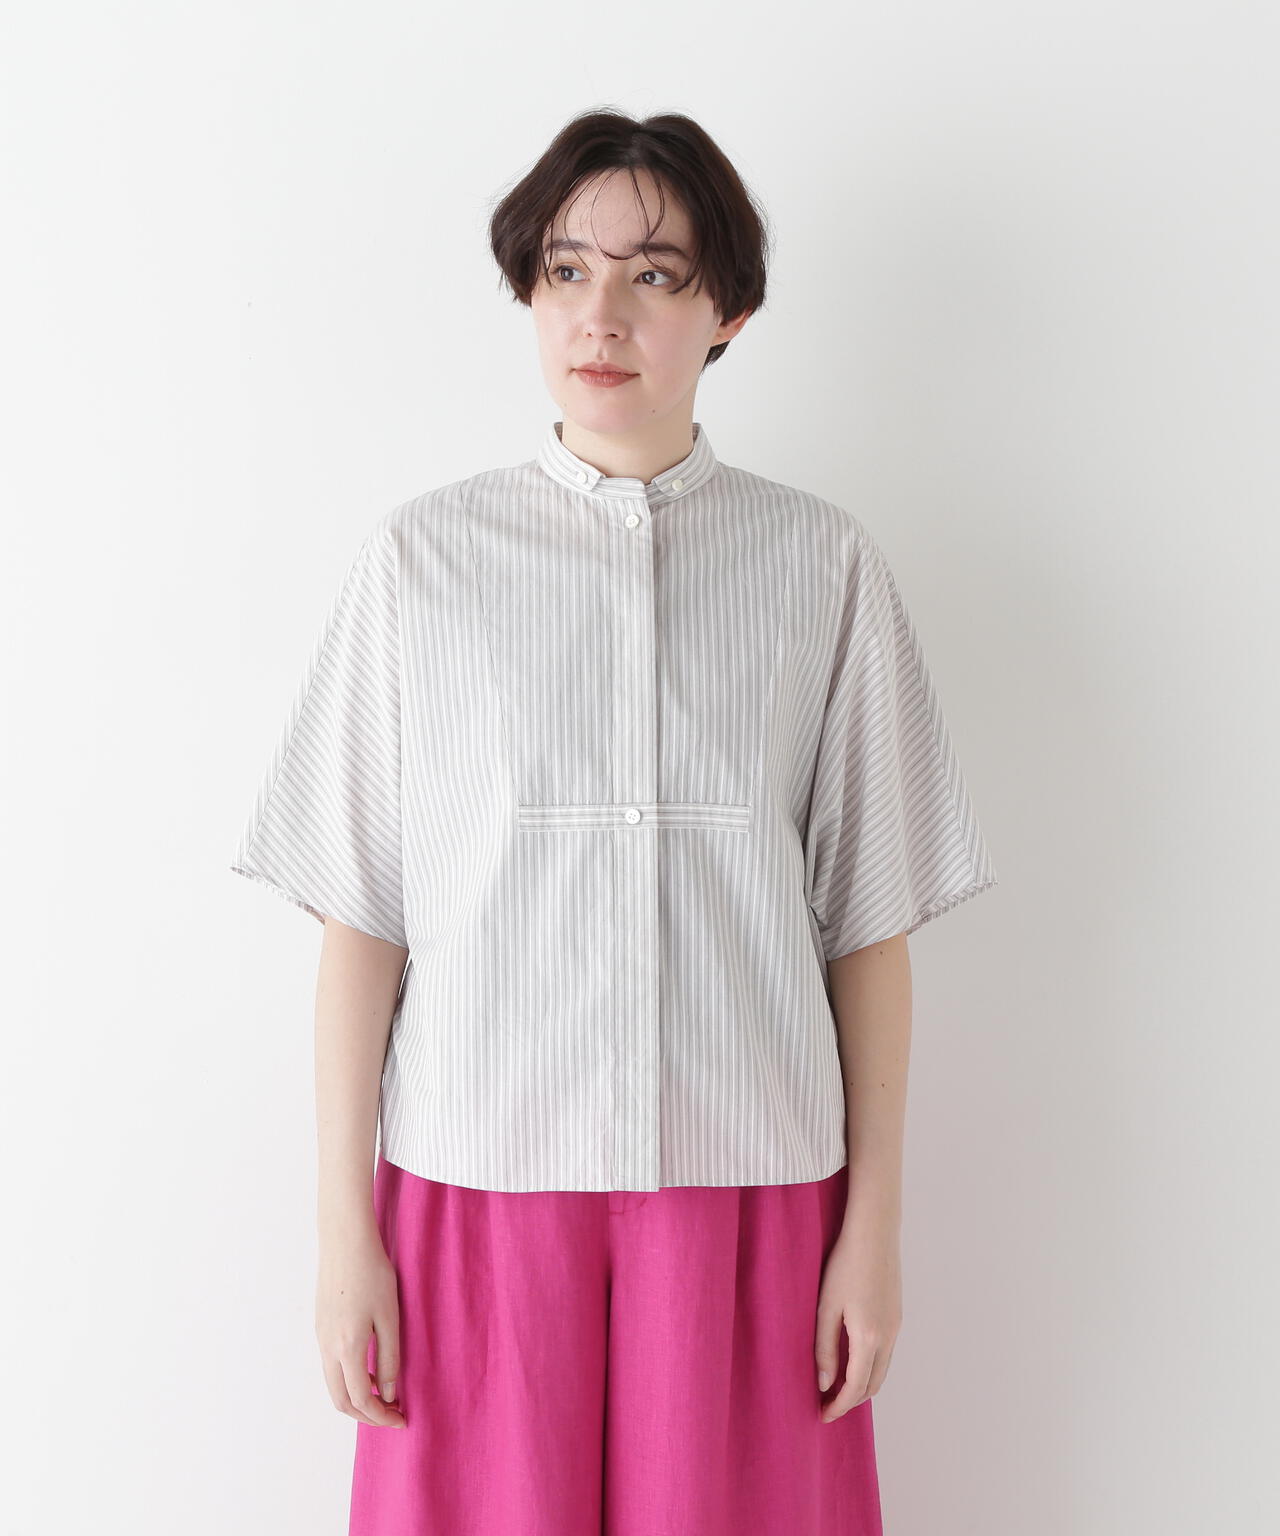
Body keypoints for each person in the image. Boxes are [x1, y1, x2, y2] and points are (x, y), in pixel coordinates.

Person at [230, 107, 998, 1536]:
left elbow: (868, 923)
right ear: (529, 292)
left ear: (729, 312)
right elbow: (363, 920)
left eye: (655, 275)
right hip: (477, 1177)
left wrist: (873, 1233)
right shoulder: (420, 563)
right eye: (567, 270)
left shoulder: (820, 565)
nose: (603, 314)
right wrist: (346, 1238)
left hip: (751, 1179)